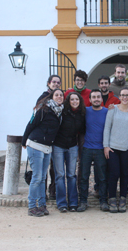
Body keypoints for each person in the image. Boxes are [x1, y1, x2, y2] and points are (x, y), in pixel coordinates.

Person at [22, 89, 64, 217]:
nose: (59, 97)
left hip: (47, 147)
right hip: (35, 144)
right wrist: (24, 141)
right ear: (52, 97)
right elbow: (31, 124)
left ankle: (42, 205)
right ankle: (32, 206)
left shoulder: (59, 112)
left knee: (43, 178)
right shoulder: (44, 109)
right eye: (56, 95)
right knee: (37, 177)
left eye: (61, 95)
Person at [103, 87, 128, 213]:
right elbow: (107, 128)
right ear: (119, 96)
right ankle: (112, 198)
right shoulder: (113, 110)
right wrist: (106, 146)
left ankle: (123, 199)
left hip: (127, 149)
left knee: (125, 175)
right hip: (113, 148)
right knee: (114, 174)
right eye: (123, 95)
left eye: (127, 95)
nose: (125, 97)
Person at [51, 92, 85, 213]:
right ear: (68, 101)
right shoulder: (62, 112)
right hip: (58, 146)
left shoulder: (82, 114)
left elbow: (83, 131)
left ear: (80, 101)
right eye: (72, 99)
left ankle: (73, 203)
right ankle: (61, 203)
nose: (75, 101)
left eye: (77, 99)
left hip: (72, 147)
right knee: (60, 175)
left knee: (71, 175)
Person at [78, 89, 110, 212]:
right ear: (90, 100)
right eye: (94, 97)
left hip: (101, 149)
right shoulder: (85, 111)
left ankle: (103, 201)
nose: (96, 99)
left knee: (102, 177)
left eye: (98, 97)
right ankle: (83, 201)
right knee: (84, 177)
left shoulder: (108, 112)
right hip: (86, 148)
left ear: (102, 99)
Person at [36, 75, 62, 201]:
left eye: (58, 82)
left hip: (56, 138)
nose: (56, 84)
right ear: (48, 83)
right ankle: (43, 193)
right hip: (44, 138)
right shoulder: (43, 98)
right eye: (54, 82)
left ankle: (53, 191)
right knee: (43, 168)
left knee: (54, 167)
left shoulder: (61, 99)